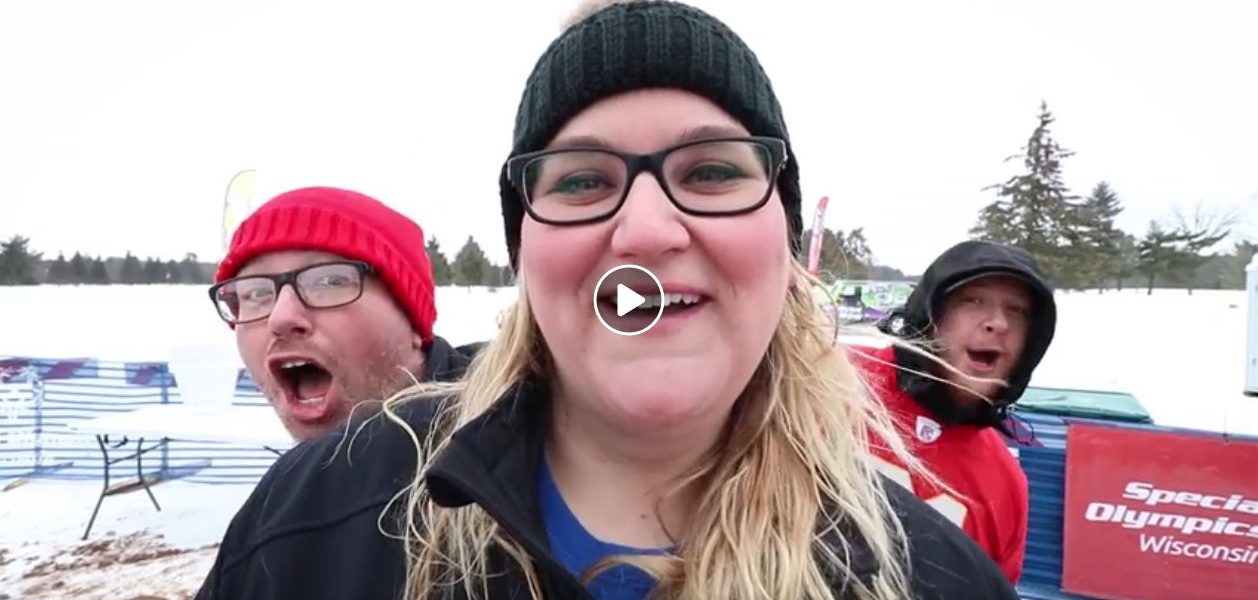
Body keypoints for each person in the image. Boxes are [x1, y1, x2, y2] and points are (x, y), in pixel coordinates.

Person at [196, 2, 1018, 599]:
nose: (648, 230)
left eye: (713, 172)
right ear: (526, 252)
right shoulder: (319, 516)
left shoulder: (931, 579)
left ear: (784, 242)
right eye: (583, 181)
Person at [850, 239, 1058, 583]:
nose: (998, 323)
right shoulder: (830, 378)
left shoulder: (1005, 486)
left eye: (1017, 310)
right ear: (931, 315)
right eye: (973, 301)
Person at [208, 185, 474, 440]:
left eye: (330, 282)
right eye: (256, 293)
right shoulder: (300, 473)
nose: (281, 318)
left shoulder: (490, 441)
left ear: (411, 322)